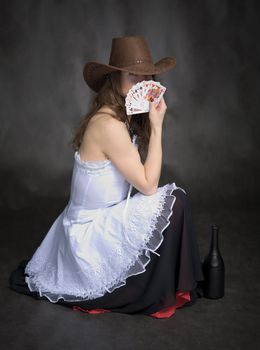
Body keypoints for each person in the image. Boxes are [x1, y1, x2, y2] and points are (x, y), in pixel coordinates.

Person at [9, 35, 205, 319]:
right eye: (131, 74)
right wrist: (158, 127)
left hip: (108, 216)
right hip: (87, 235)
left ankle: (171, 283)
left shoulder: (123, 117)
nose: (140, 81)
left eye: (145, 75)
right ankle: (158, 290)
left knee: (176, 201)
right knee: (175, 201)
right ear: (114, 78)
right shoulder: (108, 124)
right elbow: (149, 185)